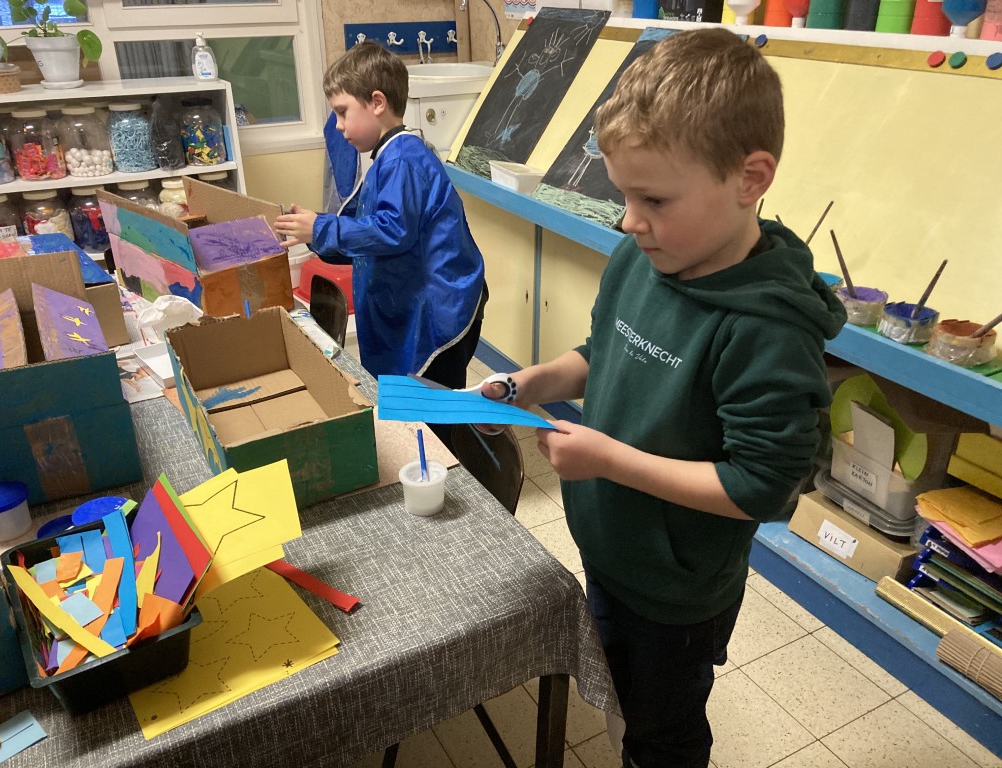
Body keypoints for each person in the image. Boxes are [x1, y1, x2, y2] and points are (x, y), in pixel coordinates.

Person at [481, 28, 846, 768]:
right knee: (623, 697)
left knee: (664, 733)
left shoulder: (767, 332)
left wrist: (609, 460)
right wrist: (536, 380)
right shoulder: (641, 257)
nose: (629, 219)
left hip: (677, 592)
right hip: (612, 547)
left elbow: (762, 487)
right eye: (622, 194)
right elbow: (605, 352)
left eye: (652, 198)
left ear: (749, 179)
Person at [274, 41, 488, 449]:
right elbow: (363, 229)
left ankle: (450, 472)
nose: (338, 126)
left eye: (342, 112)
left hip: (441, 309)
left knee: (434, 418)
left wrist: (322, 228)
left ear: (376, 102)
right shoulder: (387, 157)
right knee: (414, 411)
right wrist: (314, 232)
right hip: (417, 301)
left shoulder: (404, 158)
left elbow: (391, 231)